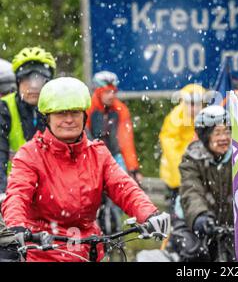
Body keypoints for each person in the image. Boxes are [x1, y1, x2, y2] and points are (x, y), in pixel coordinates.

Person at [1, 77, 169, 262]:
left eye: (75, 113)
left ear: (84, 116)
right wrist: (16, 227)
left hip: (90, 252)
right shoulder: (30, 154)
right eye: (61, 113)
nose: (69, 119)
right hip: (42, 251)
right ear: (47, 118)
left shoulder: (98, 154)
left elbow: (125, 188)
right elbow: (17, 195)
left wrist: (150, 214)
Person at [179, 105, 235, 261]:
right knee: (194, 253)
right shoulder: (192, 159)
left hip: (229, 224)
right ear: (205, 136)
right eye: (217, 133)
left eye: (227, 132)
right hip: (194, 221)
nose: (224, 138)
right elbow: (192, 191)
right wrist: (201, 217)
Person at [0, 47, 55, 195]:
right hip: (14, 191)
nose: (33, 86)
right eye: (27, 79)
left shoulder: (60, 109)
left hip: (54, 194)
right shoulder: (4, 108)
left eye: (39, 79)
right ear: (17, 82)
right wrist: (2, 193)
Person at [86, 70, 143, 183]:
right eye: (107, 92)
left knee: (122, 185)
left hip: (114, 156)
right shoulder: (88, 108)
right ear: (98, 92)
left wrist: (133, 169)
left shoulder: (120, 109)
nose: (111, 95)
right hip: (91, 157)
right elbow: (83, 136)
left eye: (113, 91)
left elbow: (126, 141)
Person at [159, 84, 206, 213]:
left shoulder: (205, 117)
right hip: (176, 175)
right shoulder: (175, 118)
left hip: (196, 172)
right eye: (190, 104)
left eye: (197, 104)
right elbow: (171, 151)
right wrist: (183, 177)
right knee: (177, 213)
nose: (194, 108)